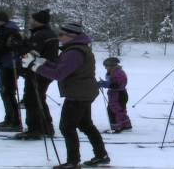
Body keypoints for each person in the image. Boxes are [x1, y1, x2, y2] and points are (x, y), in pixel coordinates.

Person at [22, 23, 110, 169]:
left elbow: (59, 74)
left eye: (62, 35)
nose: (59, 37)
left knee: (67, 127)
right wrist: (40, 61)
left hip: (77, 94)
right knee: (85, 125)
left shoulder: (74, 52)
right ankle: (101, 155)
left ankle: (73, 162)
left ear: (72, 36)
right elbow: (60, 67)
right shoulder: (75, 49)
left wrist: (35, 66)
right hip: (83, 92)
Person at [14, 9, 59, 140]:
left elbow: (31, 54)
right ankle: (46, 127)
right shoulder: (47, 33)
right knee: (39, 98)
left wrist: (19, 47)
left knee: (32, 100)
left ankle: (35, 129)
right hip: (45, 70)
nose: (30, 21)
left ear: (38, 22)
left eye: (33, 20)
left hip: (38, 70)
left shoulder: (41, 35)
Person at [99, 57, 132, 133]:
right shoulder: (113, 72)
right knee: (120, 110)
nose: (105, 68)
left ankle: (116, 127)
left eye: (106, 66)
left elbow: (117, 85)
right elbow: (111, 83)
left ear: (112, 65)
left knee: (114, 111)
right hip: (115, 95)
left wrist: (104, 84)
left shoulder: (118, 73)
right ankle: (126, 125)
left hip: (118, 95)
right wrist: (103, 83)